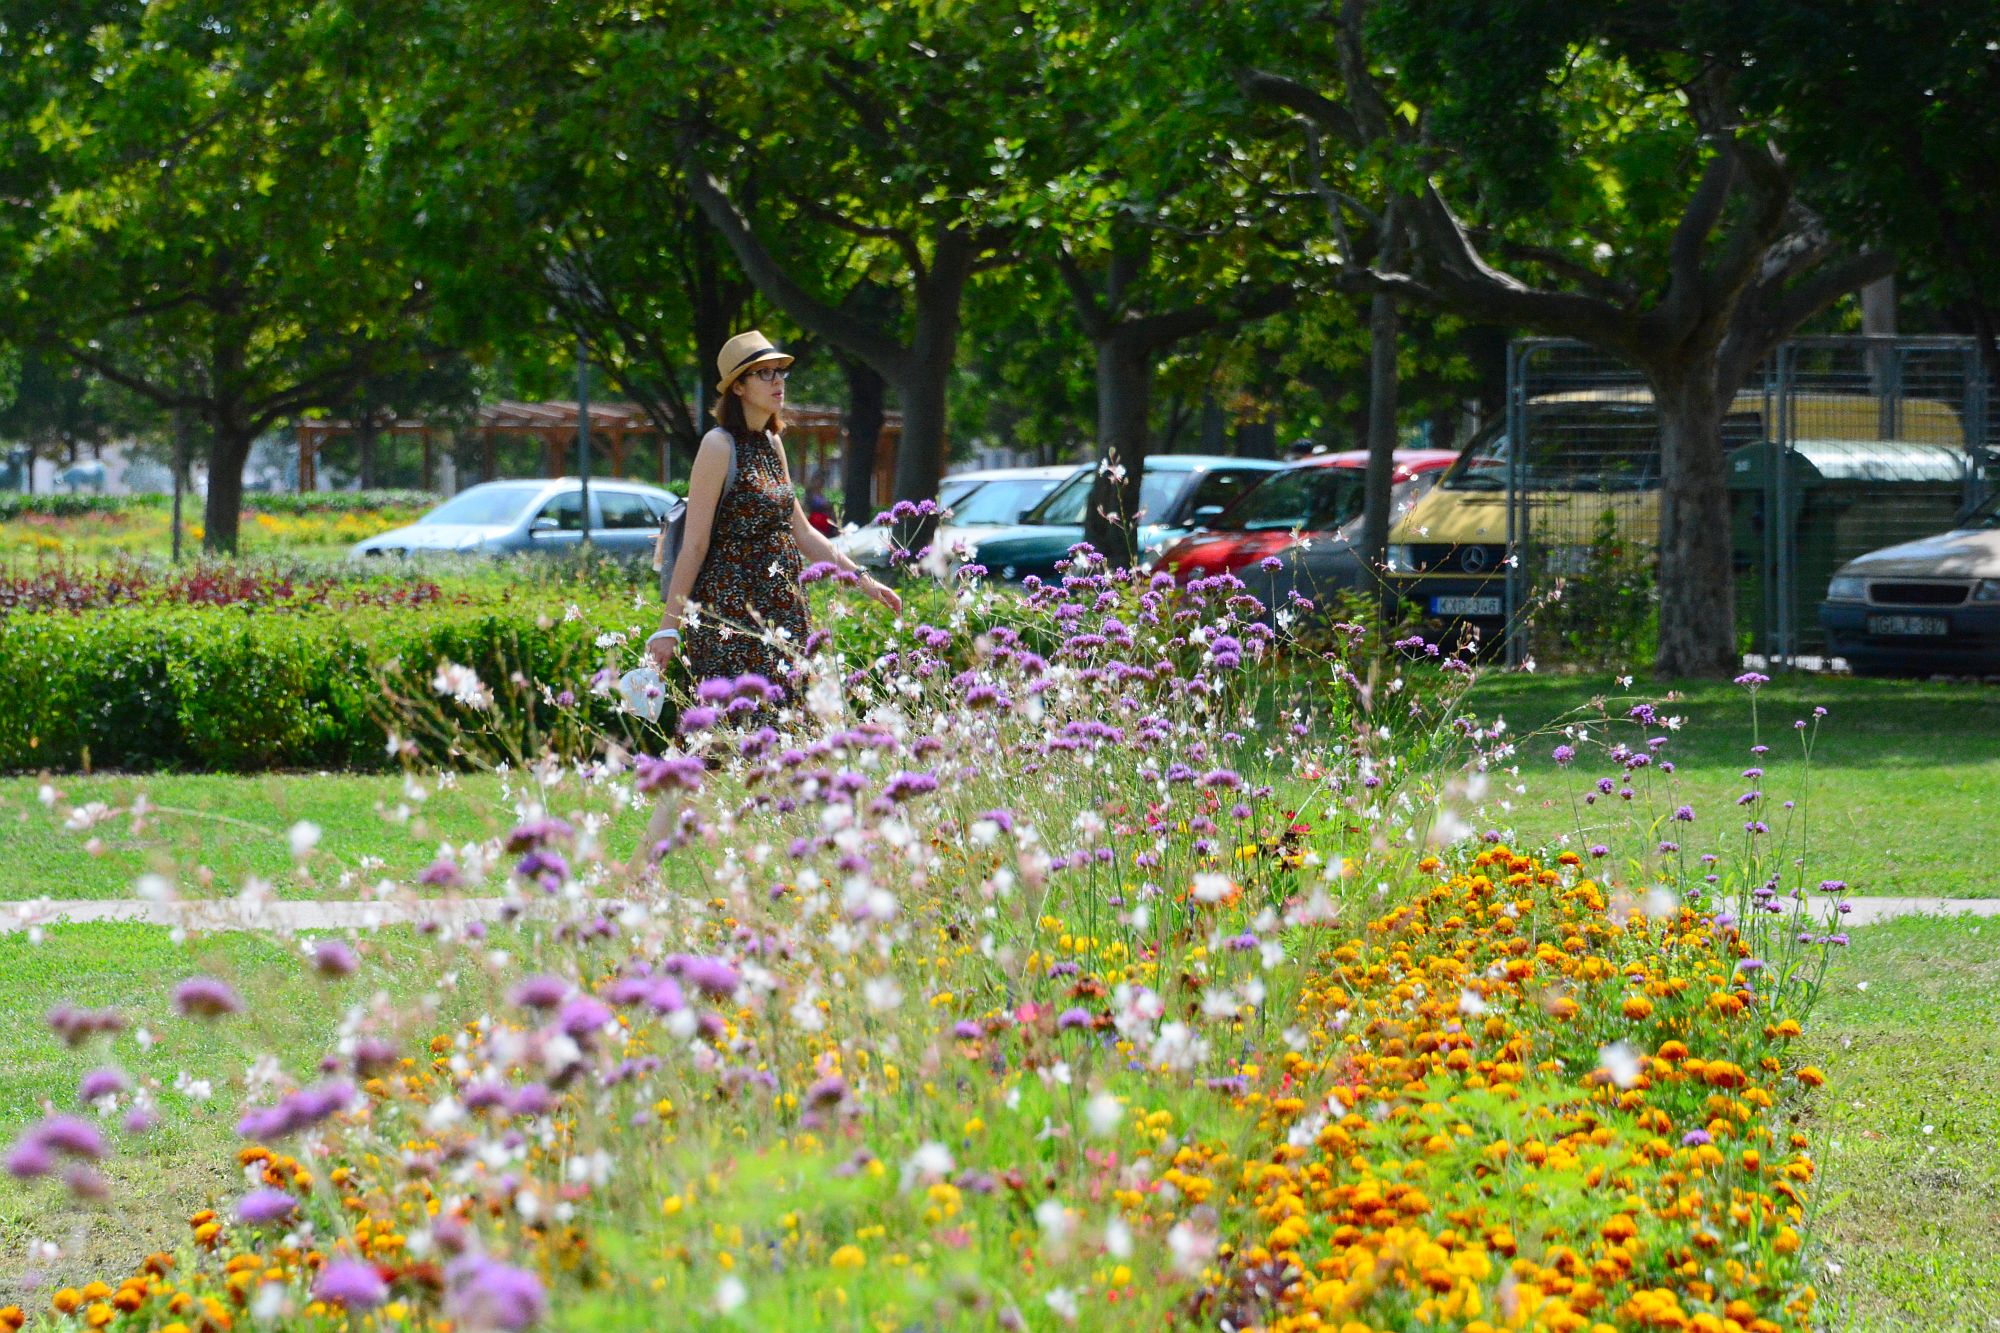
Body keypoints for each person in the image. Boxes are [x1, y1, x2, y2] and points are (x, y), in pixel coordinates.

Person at [645, 329, 900, 691]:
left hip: (783, 610)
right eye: (765, 373)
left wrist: (863, 580)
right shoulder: (718, 445)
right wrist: (669, 625)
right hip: (731, 617)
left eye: (780, 371)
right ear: (737, 387)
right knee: (733, 730)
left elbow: (804, 534)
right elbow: (695, 544)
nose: (778, 380)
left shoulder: (771, 443)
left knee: (789, 725)